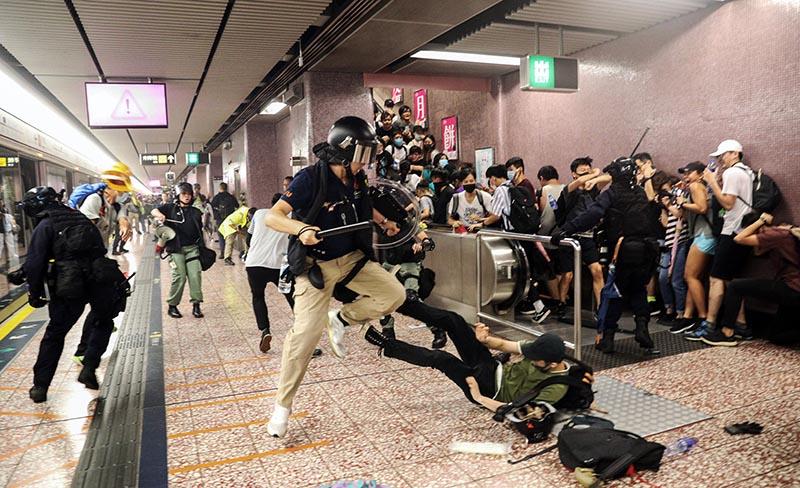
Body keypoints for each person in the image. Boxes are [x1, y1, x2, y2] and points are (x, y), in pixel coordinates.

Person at [265, 116, 406, 438]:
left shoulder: (357, 180)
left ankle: (341, 319)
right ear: (344, 152)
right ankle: (282, 408)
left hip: (353, 260)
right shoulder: (309, 180)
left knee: (394, 296)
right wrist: (301, 229)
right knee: (304, 337)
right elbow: (274, 217)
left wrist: (384, 222)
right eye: (363, 154)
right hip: (317, 267)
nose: (367, 163)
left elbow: (363, 206)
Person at [361, 299, 569, 410]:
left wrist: (479, 398)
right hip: (493, 368)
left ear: (551, 365)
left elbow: (516, 411)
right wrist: (485, 340)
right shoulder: (541, 350)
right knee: (455, 321)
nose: (529, 358)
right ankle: (400, 303)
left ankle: (386, 345)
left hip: (489, 390)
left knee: (442, 358)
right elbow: (507, 345)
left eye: (534, 359)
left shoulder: (555, 388)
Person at [23, 187, 125, 402]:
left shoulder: (45, 225)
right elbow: (99, 247)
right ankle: (89, 365)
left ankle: (40, 387)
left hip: (69, 284)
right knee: (103, 321)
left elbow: (35, 263)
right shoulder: (80, 216)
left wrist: (35, 293)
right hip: (99, 277)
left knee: (55, 334)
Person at [555, 158, 659, 354]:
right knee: (638, 290)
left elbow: (592, 214)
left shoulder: (611, 194)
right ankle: (642, 328)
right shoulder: (639, 192)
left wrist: (566, 230)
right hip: (646, 250)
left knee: (613, 293)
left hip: (622, 250)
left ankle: (608, 338)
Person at [701, 212, 798, 346]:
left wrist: (760, 221)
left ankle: (726, 332)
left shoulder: (775, 235)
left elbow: (739, 239)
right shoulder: (784, 231)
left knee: (736, 286)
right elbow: (758, 252)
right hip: (792, 288)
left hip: (793, 288)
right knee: (776, 336)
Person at [72, 162, 134, 365]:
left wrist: (124, 222)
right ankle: (82, 350)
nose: (125, 192)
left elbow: (121, 213)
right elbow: (84, 232)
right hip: (86, 261)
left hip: (99, 259)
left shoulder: (114, 205)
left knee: (112, 296)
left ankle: (106, 318)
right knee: (100, 304)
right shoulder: (93, 200)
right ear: (115, 186)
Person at [246, 193, 321, 357]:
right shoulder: (293, 221)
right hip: (278, 266)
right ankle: (305, 341)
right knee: (293, 298)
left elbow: (248, 239)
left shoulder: (259, 214)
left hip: (253, 264)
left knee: (258, 297)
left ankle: (265, 330)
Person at [695, 140, 754, 340]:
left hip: (731, 231)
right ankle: (741, 325)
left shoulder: (732, 173)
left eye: (724, 155)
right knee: (731, 281)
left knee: (716, 278)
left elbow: (728, 204)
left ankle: (710, 325)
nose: (720, 159)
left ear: (735, 154)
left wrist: (712, 182)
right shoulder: (747, 172)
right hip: (743, 232)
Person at [482, 165, 550, 322]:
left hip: (514, 236)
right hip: (525, 234)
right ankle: (532, 305)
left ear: (493, 177)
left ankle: (539, 306)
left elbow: (496, 216)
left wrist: (481, 223)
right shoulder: (514, 187)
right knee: (523, 272)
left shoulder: (501, 190)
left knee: (520, 273)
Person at [556, 157, 608, 318]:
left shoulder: (594, 189)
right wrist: (592, 174)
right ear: (573, 174)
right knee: (568, 275)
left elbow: (608, 178)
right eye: (582, 171)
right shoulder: (569, 189)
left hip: (588, 237)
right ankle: (562, 302)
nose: (587, 174)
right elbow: (579, 182)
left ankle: (602, 307)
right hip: (570, 236)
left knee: (597, 270)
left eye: (588, 169)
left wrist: (597, 175)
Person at [151, 182, 206, 319]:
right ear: (178, 195)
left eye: (189, 194)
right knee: (179, 277)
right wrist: (159, 215)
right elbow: (153, 211)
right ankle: (172, 306)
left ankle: (196, 305)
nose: (187, 197)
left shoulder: (195, 211)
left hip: (193, 248)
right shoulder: (170, 208)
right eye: (184, 194)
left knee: (195, 276)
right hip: (176, 249)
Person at [674, 162, 716, 336]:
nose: (686, 176)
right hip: (703, 235)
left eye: (689, 172)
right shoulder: (696, 187)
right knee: (694, 277)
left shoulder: (697, 186)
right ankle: (690, 316)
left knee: (690, 276)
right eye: (684, 173)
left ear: (700, 174)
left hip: (704, 235)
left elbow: (702, 208)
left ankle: (703, 318)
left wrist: (683, 203)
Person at [537, 165, 569, 318]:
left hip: (546, 237)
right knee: (564, 271)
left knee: (550, 271)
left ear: (542, 178)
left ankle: (557, 301)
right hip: (564, 236)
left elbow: (542, 211)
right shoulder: (567, 188)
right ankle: (563, 300)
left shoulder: (544, 190)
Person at [210, 182, 239, 259]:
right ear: (226, 188)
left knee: (220, 235)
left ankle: (222, 252)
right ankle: (228, 253)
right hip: (230, 219)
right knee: (229, 236)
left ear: (220, 188)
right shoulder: (231, 197)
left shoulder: (216, 197)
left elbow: (211, 207)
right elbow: (237, 206)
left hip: (220, 219)